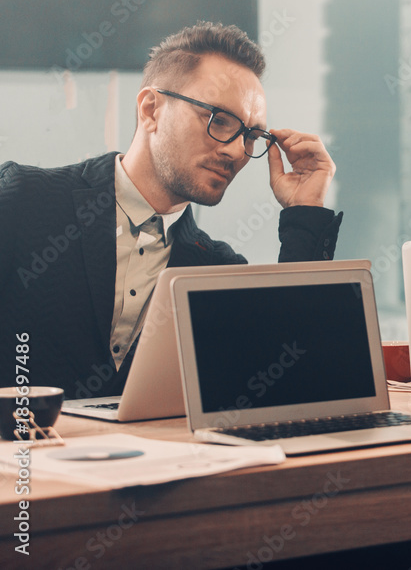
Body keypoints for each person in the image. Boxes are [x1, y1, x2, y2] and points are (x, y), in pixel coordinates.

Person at [0, 22, 342, 399]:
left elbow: (291, 381)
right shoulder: (20, 200)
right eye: (219, 119)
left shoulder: (218, 271)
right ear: (151, 110)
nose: (234, 151)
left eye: (250, 135)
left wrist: (305, 213)